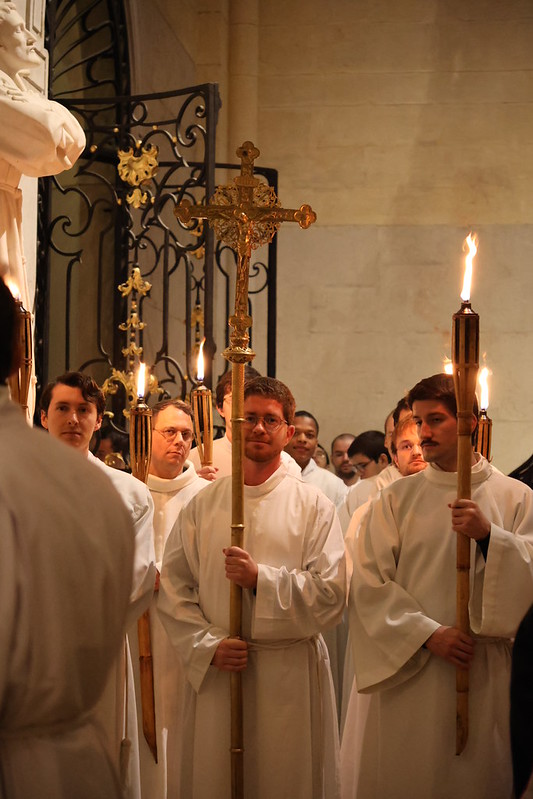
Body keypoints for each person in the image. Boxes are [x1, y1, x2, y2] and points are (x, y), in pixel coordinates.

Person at [158, 376, 346, 798]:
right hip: (220, 672)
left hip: (289, 675)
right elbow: (174, 587)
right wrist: (208, 645)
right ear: (233, 424)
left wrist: (262, 580)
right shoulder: (203, 503)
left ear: (289, 432)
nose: (259, 428)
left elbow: (332, 594)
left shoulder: (313, 505)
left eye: (271, 420)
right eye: (250, 418)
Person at [347, 373, 533, 798]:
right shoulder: (395, 500)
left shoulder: (516, 497)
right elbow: (370, 585)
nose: (423, 432)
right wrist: (429, 634)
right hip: (414, 669)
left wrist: (490, 537)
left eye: (435, 420)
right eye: (417, 420)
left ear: (467, 420)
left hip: (485, 671)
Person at [0, 277, 134, 798]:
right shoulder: (92, 489)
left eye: (84, 411)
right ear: (18, 355)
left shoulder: (115, 488)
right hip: (71, 764)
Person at [40, 371, 156, 799]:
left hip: (97, 648)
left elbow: (139, 572)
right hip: (27, 645)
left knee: (99, 756)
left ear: (98, 419)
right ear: (42, 416)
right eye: (63, 408)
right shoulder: (13, 482)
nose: (73, 419)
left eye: (84, 410)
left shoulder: (128, 494)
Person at [0, 3, 85, 415]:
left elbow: (67, 141)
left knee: (18, 324)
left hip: (6, 209)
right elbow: (52, 139)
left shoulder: (13, 90)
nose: (33, 38)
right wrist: (51, 113)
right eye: (19, 30)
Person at [138, 398, 210, 798]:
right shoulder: (127, 489)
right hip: (135, 627)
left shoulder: (207, 494)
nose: (179, 441)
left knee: (183, 728)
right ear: (145, 435)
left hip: (187, 630)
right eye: (169, 432)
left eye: (187, 434)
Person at [188, 365, 260, 478]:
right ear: (220, 408)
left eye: (248, 400)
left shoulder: (278, 459)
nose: (242, 408)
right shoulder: (195, 458)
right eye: (234, 399)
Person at [285, 409, 347, 508]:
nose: (302, 439)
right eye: (295, 433)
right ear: (285, 436)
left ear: (316, 443)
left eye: (309, 435)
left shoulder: (334, 484)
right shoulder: (267, 476)